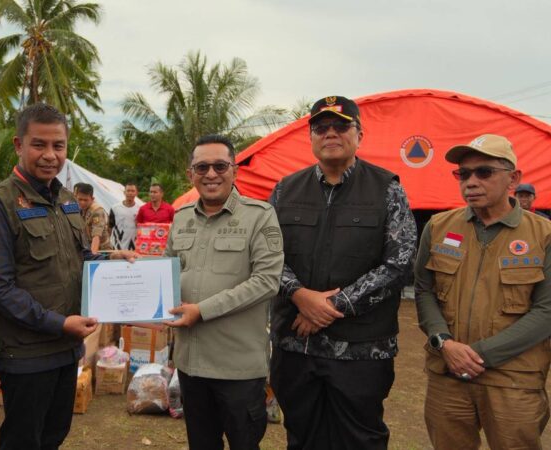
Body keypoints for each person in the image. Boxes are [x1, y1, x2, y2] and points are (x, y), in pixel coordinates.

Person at [0, 103, 138, 450]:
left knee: (54, 435)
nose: (50, 155)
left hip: (65, 348)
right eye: (39, 144)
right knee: (23, 440)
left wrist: (112, 259)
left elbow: (76, 259)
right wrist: (58, 323)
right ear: (19, 145)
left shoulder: (65, 199)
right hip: (26, 353)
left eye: (58, 146)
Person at [269, 96, 417, 449]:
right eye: (321, 127)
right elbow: (265, 255)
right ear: (311, 137)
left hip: (361, 350)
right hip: (296, 346)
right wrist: (299, 295)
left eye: (341, 125)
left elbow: (399, 262)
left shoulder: (387, 188)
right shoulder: (285, 189)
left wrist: (331, 306)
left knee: (360, 439)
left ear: (359, 134)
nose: (330, 133)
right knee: (302, 437)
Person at [415, 134, 551, 450]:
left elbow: (547, 311)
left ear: (513, 178)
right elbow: (424, 290)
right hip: (447, 374)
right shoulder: (438, 226)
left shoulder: (543, 235)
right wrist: (443, 342)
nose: (471, 182)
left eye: (484, 172)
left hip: (512, 379)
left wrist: (479, 355)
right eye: (463, 174)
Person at [165, 135, 283, 449]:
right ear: (191, 174)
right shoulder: (180, 218)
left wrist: (201, 310)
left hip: (237, 367)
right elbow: (167, 275)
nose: (211, 174)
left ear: (235, 171)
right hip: (191, 364)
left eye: (220, 165)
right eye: (201, 167)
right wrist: (133, 273)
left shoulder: (259, 216)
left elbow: (267, 281)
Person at [75, 182, 113, 252]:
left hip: (102, 251)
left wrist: (92, 256)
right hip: (87, 248)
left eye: (86, 200)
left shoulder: (97, 211)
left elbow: (96, 236)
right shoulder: (79, 209)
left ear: (92, 199)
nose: (82, 202)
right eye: (80, 199)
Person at [109, 182, 140, 250]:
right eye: (128, 191)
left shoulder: (140, 209)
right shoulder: (115, 208)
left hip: (134, 246)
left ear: (136, 193)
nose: (130, 193)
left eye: (133, 191)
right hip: (116, 246)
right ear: (124, 192)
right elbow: (110, 227)